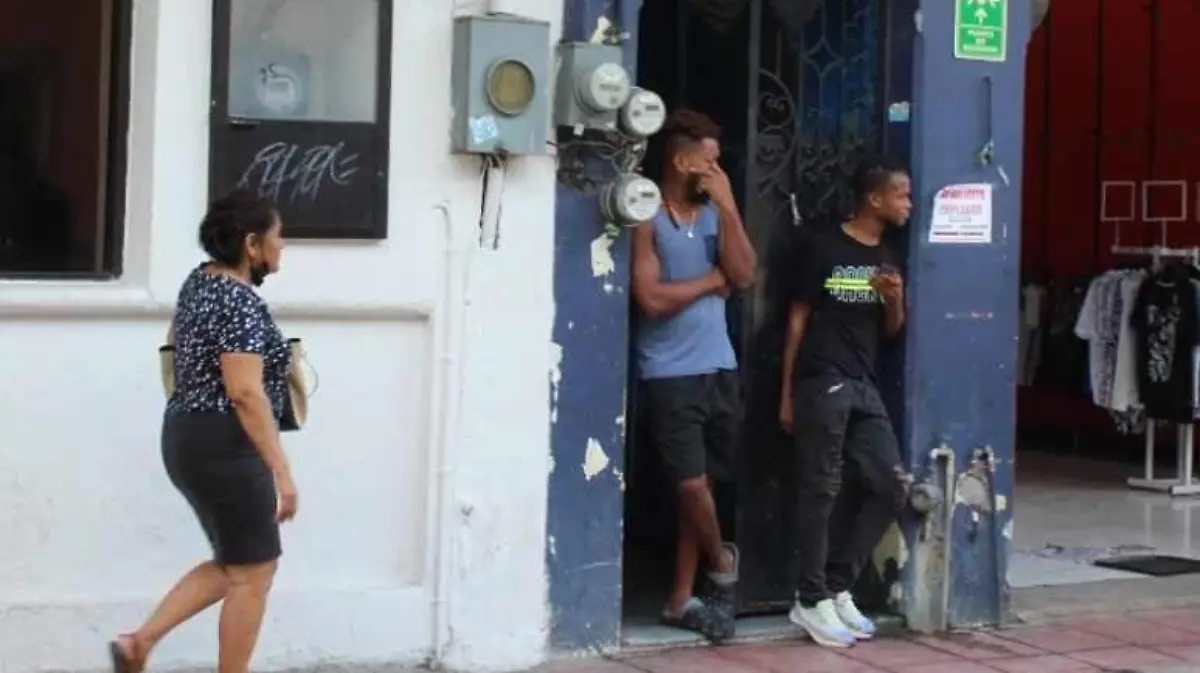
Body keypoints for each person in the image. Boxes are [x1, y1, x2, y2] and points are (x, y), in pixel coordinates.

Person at [109, 189, 298, 673]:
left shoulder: (199, 283)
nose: (283, 245)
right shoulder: (239, 302)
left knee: (237, 562)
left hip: (185, 435)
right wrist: (282, 472)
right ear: (252, 244)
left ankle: (138, 644)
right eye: (277, 236)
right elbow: (245, 392)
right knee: (254, 573)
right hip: (227, 443)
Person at [632, 109, 757, 642]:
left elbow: (744, 274)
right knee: (689, 484)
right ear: (682, 162)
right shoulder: (647, 215)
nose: (717, 170)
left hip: (718, 364)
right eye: (710, 162)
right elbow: (651, 298)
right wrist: (710, 281)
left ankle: (680, 598)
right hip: (668, 370)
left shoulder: (712, 214)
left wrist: (728, 205)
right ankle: (723, 562)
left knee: (703, 484)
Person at [778, 156, 912, 649]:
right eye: (901, 195)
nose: (908, 204)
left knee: (891, 486)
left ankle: (836, 586)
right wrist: (787, 392)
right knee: (821, 487)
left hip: (864, 382)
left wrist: (894, 298)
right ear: (874, 198)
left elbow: (893, 331)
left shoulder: (888, 256)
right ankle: (809, 597)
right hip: (822, 380)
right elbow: (796, 320)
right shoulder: (825, 247)